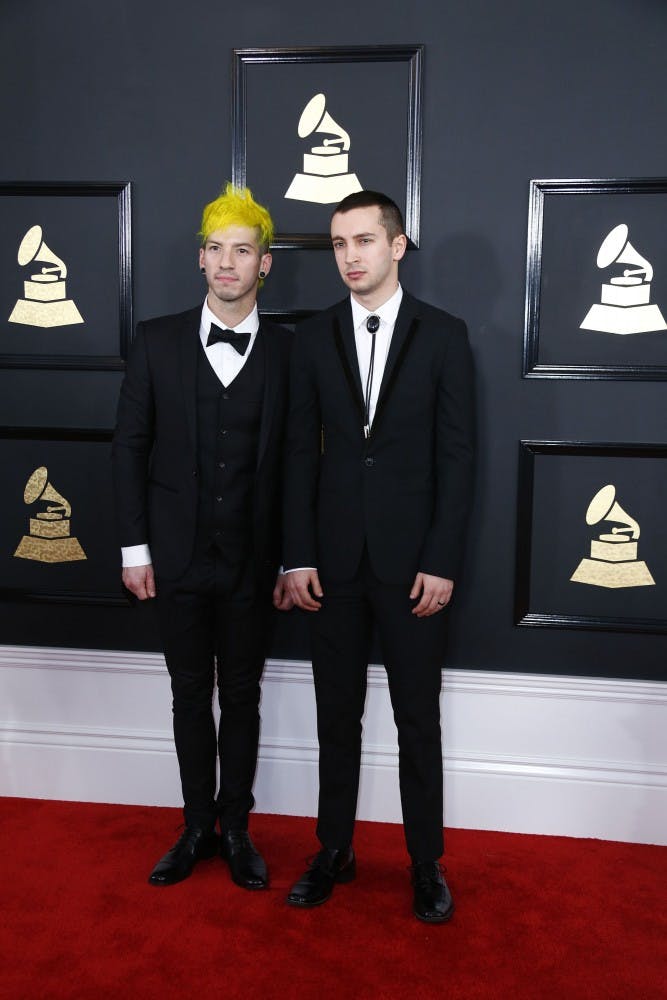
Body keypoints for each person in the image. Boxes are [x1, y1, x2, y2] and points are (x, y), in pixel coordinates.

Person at [283, 190, 475, 923]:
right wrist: (295, 557)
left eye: (363, 240)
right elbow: (300, 453)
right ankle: (334, 848)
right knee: (336, 714)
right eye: (338, 244)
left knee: (416, 718)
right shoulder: (313, 336)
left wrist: (442, 558)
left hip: (412, 567)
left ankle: (424, 863)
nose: (349, 257)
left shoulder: (443, 334)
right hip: (330, 563)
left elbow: (457, 458)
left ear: (397, 246)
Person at [112, 183, 292, 890]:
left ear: (263, 264)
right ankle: (195, 827)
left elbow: (301, 462)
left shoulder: (288, 351)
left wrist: (293, 557)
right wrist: (134, 548)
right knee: (189, 693)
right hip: (175, 558)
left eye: (241, 251)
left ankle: (238, 828)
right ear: (200, 259)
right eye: (216, 250)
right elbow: (128, 448)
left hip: (252, 561)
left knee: (242, 695)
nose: (227, 263)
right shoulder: (155, 340)